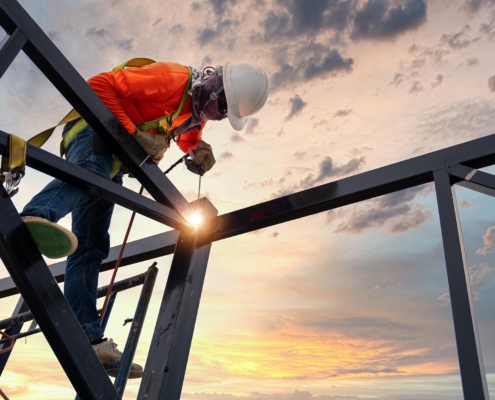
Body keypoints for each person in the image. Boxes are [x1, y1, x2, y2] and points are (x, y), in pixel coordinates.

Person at [19, 60, 269, 378]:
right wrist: (133, 132)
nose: (218, 116)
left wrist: (197, 149)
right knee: (91, 174)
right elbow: (98, 85)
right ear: (213, 87)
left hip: (112, 159)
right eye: (222, 107)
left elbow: (183, 134)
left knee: (92, 244)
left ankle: (88, 338)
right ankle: (34, 215)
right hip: (92, 133)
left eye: (224, 114)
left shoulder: (194, 111)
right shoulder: (173, 79)